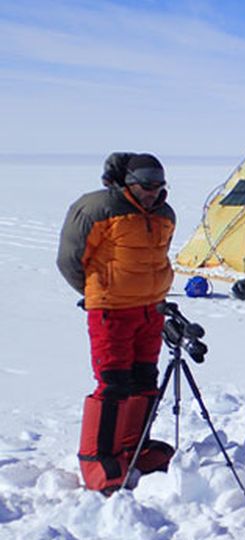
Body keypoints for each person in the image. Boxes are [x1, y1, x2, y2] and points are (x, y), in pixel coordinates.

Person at [57, 152, 176, 494]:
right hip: (111, 310)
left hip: (150, 309)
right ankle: (99, 461)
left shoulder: (165, 214)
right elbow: (70, 259)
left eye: (158, 186)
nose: (152, 193)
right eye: (146, 186)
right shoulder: (97, 208)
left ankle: (132, 449)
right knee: (113, 383)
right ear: (128, 183)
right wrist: (99, 290)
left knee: (143, 380)